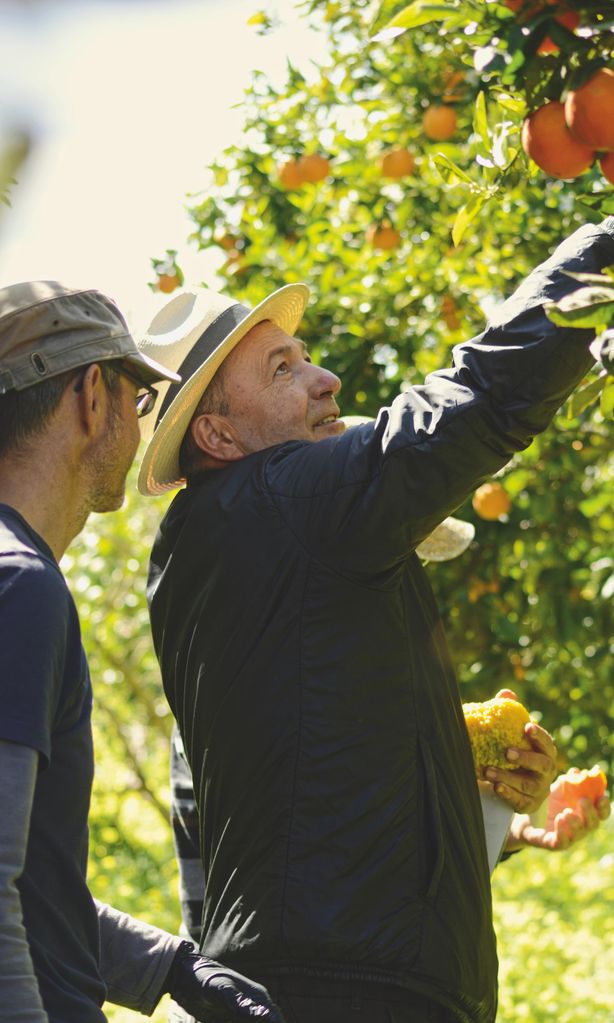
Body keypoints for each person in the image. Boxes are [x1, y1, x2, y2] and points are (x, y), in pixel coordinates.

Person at [139, 218, 614, 1023]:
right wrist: (598, 254)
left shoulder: (246, 541)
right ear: (215, 434)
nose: (324, 378)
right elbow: (470, 406)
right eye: (282, 368)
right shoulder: (271, 502)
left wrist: (482, 812)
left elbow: (311, 777)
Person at [0, 280, 286, 1023]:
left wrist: (171, 967)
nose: (137, 421)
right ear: (93, 395)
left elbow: (30, 884)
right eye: (136, 395)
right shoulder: (18, 585)